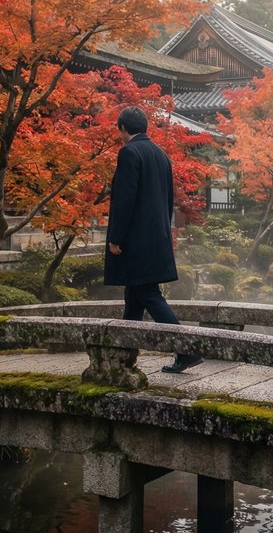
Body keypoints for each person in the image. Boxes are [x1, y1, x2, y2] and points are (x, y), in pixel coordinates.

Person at [104, 106, 203, 374]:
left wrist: (115, 237)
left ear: (123, 128)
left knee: (147, 293)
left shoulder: (129, 152)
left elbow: (125, 199)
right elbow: (167, 199)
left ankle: (187, 349)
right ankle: (124, 357)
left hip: (135, 240)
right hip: (156, 235)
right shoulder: (161, 154)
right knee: (134, 296)